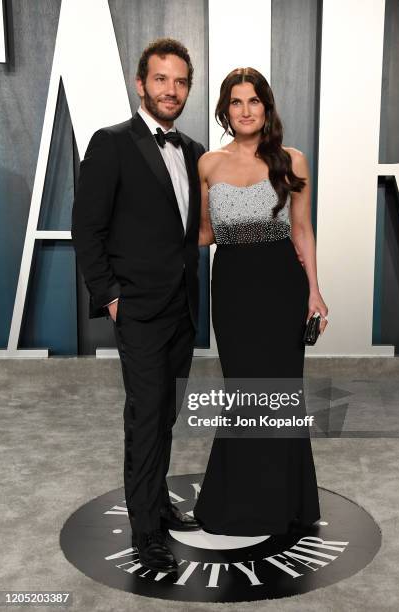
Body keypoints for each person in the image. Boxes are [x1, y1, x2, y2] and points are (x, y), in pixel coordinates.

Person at [71, 38, 205, 572]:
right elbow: (88, 228)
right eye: (161, 80)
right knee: (146, 417)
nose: (171, 90)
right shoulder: (111, 143)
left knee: (165, 415)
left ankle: (157, 507)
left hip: (182, 310)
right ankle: (146, 531)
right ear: (140, 83)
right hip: (139, 310)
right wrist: (112, 298)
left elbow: (190, 231)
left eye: (180, 82)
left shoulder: (194, 152)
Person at [193, 67, 328, 536]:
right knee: (243, 391)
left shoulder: (293, 160)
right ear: (225, 111)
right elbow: (205, 233)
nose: (246, 110)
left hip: (282, 285)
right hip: (231, 285)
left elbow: (302, 230)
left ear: (266, 108)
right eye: (236, 102)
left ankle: (284, 504)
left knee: (282, 393)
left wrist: (314, 290)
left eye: (254, 101)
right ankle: (241, 502)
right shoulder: (208, 163)